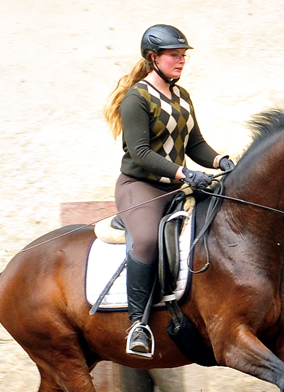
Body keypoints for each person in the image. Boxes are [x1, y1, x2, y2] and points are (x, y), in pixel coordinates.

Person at [104, 24, 234, 358]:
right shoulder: (137, 98)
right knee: (146, 240)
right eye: (174, 55)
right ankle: (138, 325)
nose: (181, 61)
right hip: (140, 187)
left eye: (183, 55)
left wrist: (220, 161)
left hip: (176, 185)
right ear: (153, 57)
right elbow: (141, 153)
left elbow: (196, 144)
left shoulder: (182, 97)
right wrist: (185, 172)